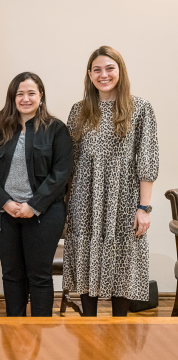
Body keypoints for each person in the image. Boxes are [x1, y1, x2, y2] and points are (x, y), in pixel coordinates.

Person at [63, 46, 159, 316]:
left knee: (123, 258)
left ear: (120, 71)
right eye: (97, 69)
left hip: (125, 197)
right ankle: (89, 322)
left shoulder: (140, 109)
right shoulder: (79, 110)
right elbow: (69, 161)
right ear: (89, 75)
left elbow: (148, 161)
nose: (103, 74)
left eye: (109, 68)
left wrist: (144, 208)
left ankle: (119, 324)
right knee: (85, 255)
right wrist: (65, 204)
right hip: (85, 197)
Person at [0, 72, 73, 317]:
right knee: (11, 274)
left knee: (39, 275)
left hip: (44, 214)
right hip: (5, 213)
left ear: (41, 96)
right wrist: (4, 202)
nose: (25, 98)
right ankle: (15, 330)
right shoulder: (1, 128)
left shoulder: (56, 129)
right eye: (20, 93)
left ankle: (40, 333)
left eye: (31, 93)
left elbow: (61, 173)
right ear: (12, 97)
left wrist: (33, 205)